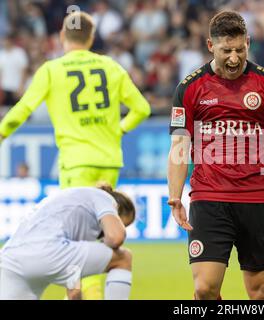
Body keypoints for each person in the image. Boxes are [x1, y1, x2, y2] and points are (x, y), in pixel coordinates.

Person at [0, 11, 151, 299]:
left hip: (76, 162)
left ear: (61, 37)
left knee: (75, 240)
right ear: (91, 37)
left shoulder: (51, 70)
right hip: (109, 159)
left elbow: (22, 109)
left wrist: (2, 133)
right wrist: (119, 129)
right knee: (104, 240)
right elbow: (142, 108)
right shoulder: (111, 66)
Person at [167, 11, 264, 300]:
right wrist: (175, 195)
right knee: (204, 289)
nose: (234, 58)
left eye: (240, 49)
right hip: (209, 197)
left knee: (262, 293)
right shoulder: (190, 88)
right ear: (210, 46)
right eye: (226, 51)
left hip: (258, 197)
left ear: (248, 42)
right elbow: (179, 147)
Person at [0, 185, 135, 300]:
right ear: (116, 210)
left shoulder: (70, 209)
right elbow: (116, 237)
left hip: (9, 261)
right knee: (123, 258)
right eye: (122, 223)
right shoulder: (104, 198)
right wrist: (110, 240)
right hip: (47, 252)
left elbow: (74, 291)